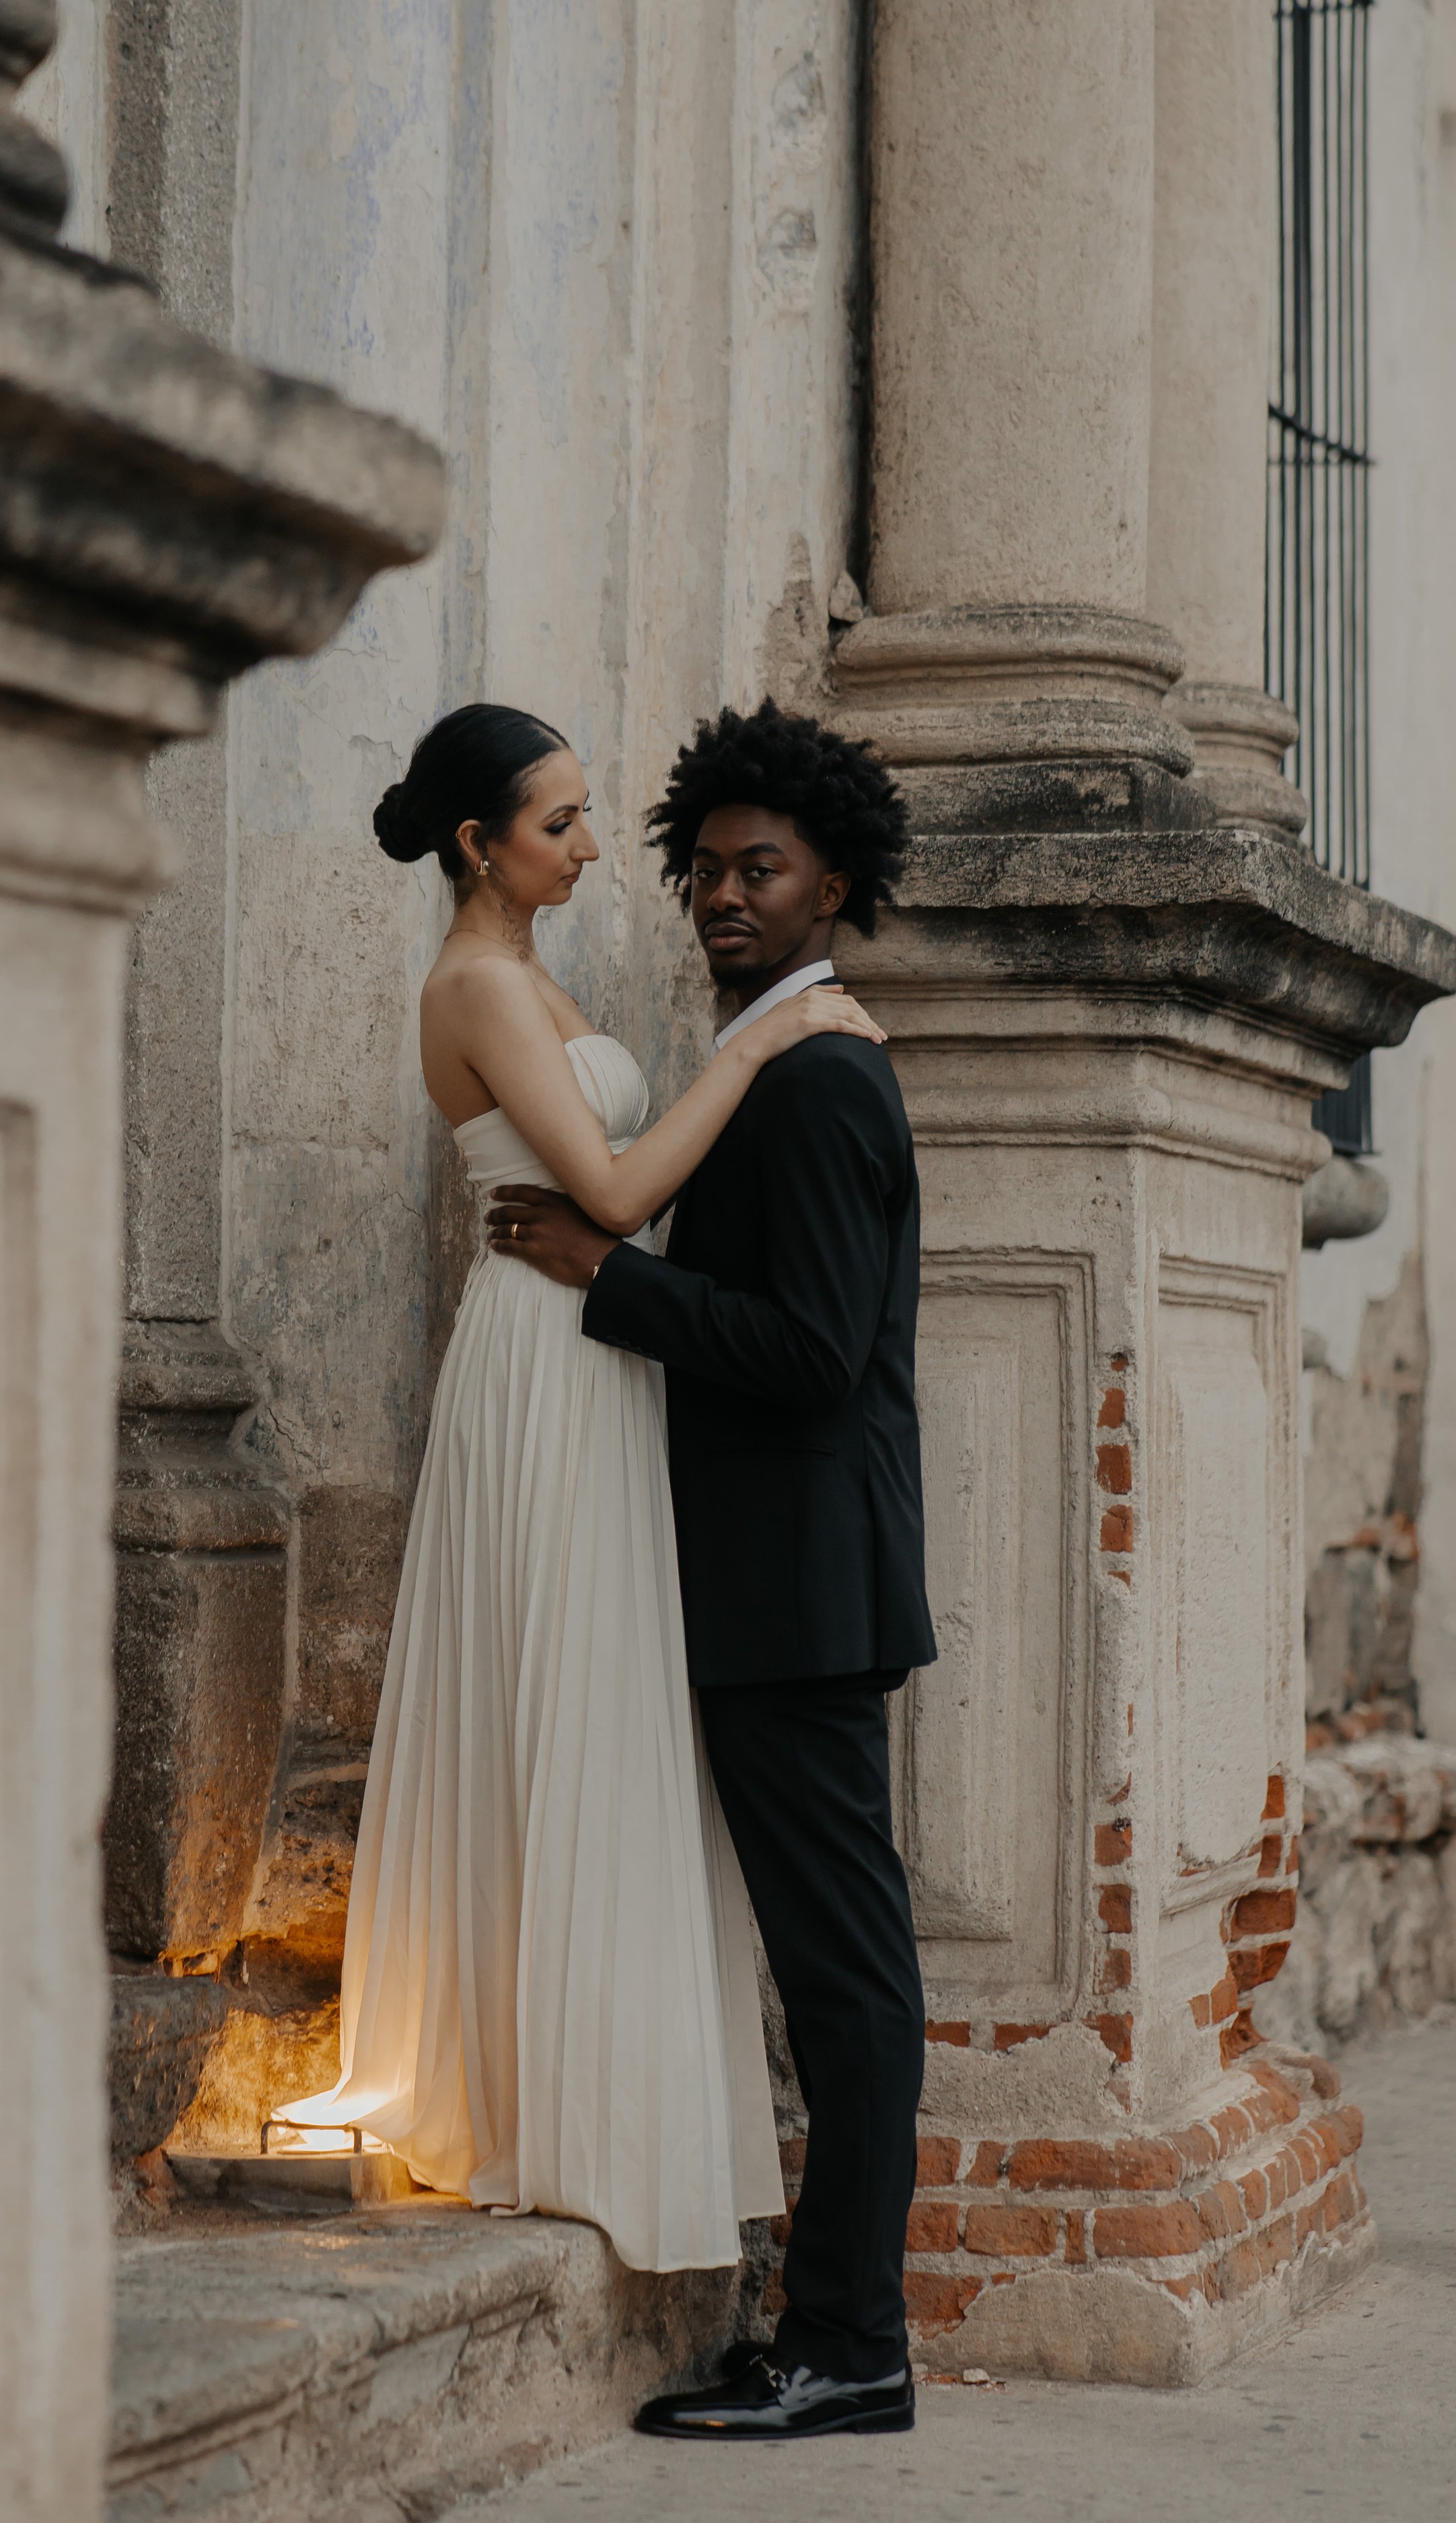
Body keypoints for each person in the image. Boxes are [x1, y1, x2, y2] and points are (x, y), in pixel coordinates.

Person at [274, 700, 888, 2274]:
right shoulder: (475, 984)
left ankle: (603, 2098)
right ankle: (534, 2102)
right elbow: (608, 1193)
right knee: (558, 1697)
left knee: (608, 1720)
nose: (599, 849)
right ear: (480, 847)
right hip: (549, 1362)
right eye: (561, 823)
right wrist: (762, 1037)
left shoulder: (537, 977)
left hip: (606, 1348)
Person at [486, 697, 936, 2441]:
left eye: (762, 867)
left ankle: (853, 2343)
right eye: (705, 868)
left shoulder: (818, 1077)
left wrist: (603, 1269)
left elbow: (813, 1350)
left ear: (834, 880)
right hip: (779, 1579)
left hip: (799, 1589)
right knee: (834, 1970)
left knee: (844, 1976)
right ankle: (833, 2330)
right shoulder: (791, 1054)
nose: (722, 894)